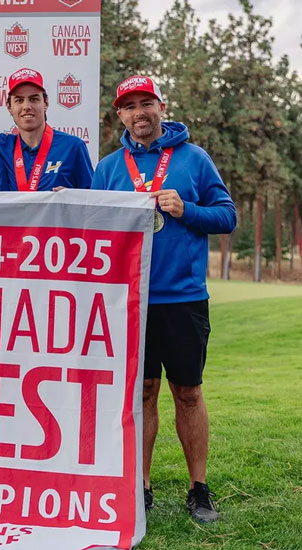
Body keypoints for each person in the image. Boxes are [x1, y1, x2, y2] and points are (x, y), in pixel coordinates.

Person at [92, 75, 236, 522]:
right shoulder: (110, 168)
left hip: (183, 297)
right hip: (129, 300)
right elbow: (92, 228)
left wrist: (187, 210)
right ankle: (141, 486)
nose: (139, 112)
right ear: (120, 115)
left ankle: (199, 488)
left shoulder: (194, 159)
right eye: (130, 106)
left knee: (188, 392)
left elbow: (227, 216)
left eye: (146, 103)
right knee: (143, 393)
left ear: (161, 106)